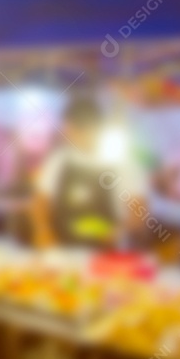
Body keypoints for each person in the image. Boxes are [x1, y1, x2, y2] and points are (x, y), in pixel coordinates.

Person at [32, 95, 148, 249]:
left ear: (91, 128)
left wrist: (120, 231)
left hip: (106, 253)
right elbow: (41, 201)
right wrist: (43, 229)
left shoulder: (123, 164)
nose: (68, 136)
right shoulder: (60, 160)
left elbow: (139, 212)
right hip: (62, 249)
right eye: (67, 130)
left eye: (72, 131)